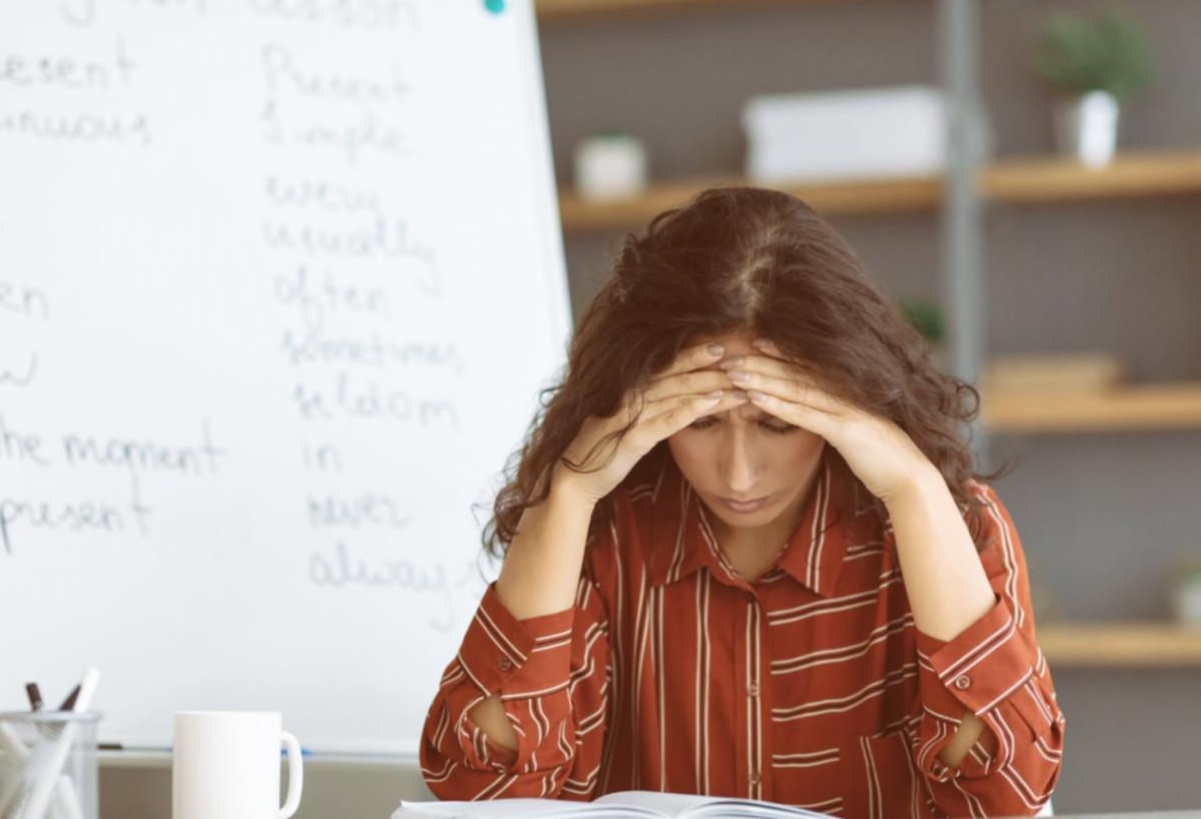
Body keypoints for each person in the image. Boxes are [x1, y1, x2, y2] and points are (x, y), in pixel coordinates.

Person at [418, 186, 1065, 816]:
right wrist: (570, 490)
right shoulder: (602, 531)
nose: (739, 472)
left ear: (851, 401)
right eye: (699, 422)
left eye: (777, 423)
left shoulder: (951, 523)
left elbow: (1002, 800)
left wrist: (914, 486)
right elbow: (482, 792)